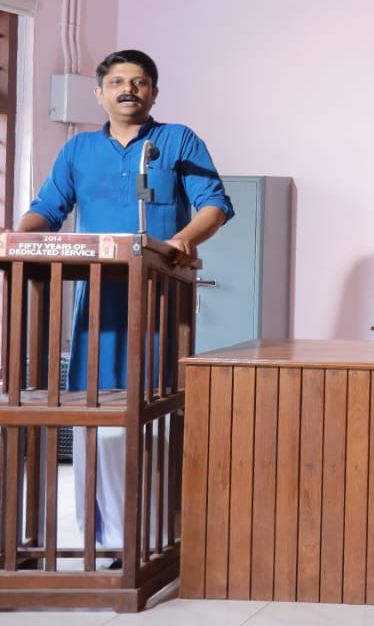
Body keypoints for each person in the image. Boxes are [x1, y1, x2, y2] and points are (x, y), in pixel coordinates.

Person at [15, 49, 233, 555]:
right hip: (97, 304)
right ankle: (106, 541)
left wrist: (182, 240)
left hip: (157, 301)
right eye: (116, 82)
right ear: (99, 93)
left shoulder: (176, 140)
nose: (128, 90)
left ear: (153, 92)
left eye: (138, 82)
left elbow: (215, 204)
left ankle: (155, 539)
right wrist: (19, 237)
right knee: (96, 413)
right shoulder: (78, 149)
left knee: (154, 409)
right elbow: (47, 209)